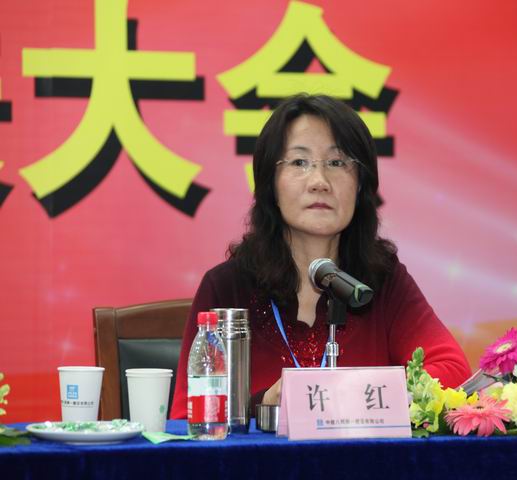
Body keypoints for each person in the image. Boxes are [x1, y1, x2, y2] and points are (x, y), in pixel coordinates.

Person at [170, 94, 470, 418]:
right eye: (299, 162)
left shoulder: (382, 281)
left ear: (360, 184)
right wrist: (262, 405)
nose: (319, 182)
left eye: (337, 163)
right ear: (271, 184)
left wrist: (345, 395)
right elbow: (187, 417)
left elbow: (453, 372)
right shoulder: (227, 288)